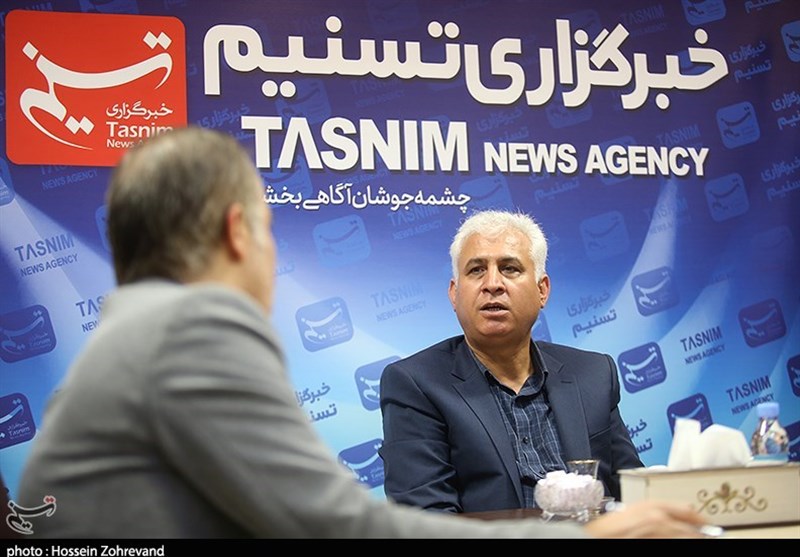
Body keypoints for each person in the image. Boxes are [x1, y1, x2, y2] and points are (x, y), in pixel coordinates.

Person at [17, 127, 709, 538]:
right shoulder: (194, 331)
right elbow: (341, 525)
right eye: (269, 229)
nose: (493, 283)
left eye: (510, 269)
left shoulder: (133, 333)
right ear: (237, 232)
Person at [380, 209, 644, 514]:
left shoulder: (594, 374)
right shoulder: (415, 384)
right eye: (476, 270)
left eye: (509, 268)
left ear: (542, 290)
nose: (492, 283)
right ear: (454, 294)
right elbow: (428, 519)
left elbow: (636, 495)